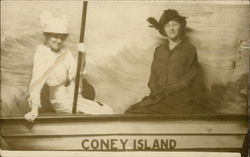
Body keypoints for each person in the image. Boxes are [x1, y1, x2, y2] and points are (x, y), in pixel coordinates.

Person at [25, 11, 113, 122]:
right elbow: (36, 83)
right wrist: (34, 109)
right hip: (62, 102)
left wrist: (83, 55)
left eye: (62, 37)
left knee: (108, 110)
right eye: (55, 37)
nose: (59, 41)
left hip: (77, 98)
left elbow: (79, 72)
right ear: (47, 36)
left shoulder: (65, 52)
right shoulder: (42, 54)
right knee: (103, 114)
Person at [125, 9, 208, 114]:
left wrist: (165, 92)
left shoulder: (189, 49)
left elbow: (186, 81)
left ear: (181, 26)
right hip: (158, 97)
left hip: (180, 99)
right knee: (130, 112)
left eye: (175, 24)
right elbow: (153, 78)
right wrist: (156, 92)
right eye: (167, 25)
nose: (171, 28)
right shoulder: (159, 50)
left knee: (140, 113)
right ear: (163, 29)